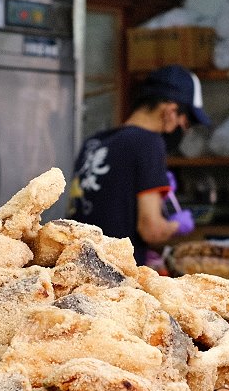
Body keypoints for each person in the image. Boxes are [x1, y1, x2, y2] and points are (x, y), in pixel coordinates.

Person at [67, 64, 209, 265]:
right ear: (170, 111)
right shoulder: (149, 142)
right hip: (115, 280)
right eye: (186, 122)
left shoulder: (94, 142)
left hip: (77, 267)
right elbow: (152, 230)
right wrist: (177, 226)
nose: (184, 130)